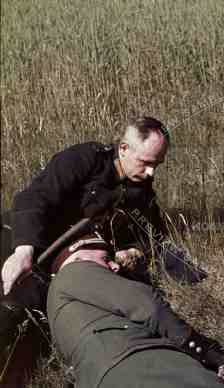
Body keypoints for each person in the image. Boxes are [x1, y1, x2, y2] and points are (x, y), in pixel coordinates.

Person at [0, 116, 202, 384]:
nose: (152, 172)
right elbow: (34, 198)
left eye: (158, 165)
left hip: (59, 269)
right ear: (123, 149)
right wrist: (23, 250)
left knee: (24, 322)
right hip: (19, 241)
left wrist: (134, 252)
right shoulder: (84, 160)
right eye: (146, 163)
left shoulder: (140, 190)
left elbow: (152, 236)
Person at [47, 235, 224, 388]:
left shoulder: (57, 303)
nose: (115, 266)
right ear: (78, 256)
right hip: (142, 366)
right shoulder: (75, 271)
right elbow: (147, 305)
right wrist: (203, 348)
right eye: (105, 259)